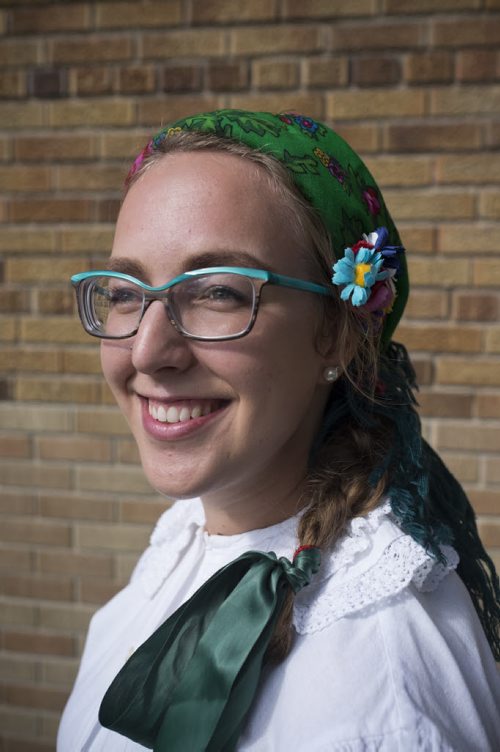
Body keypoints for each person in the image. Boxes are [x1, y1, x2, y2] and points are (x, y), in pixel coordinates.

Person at [58, 109, 499, 751]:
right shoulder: (189, 538)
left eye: (218, 292)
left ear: (337, 333)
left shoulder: (382, 684)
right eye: (127, 292)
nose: (148, 352)